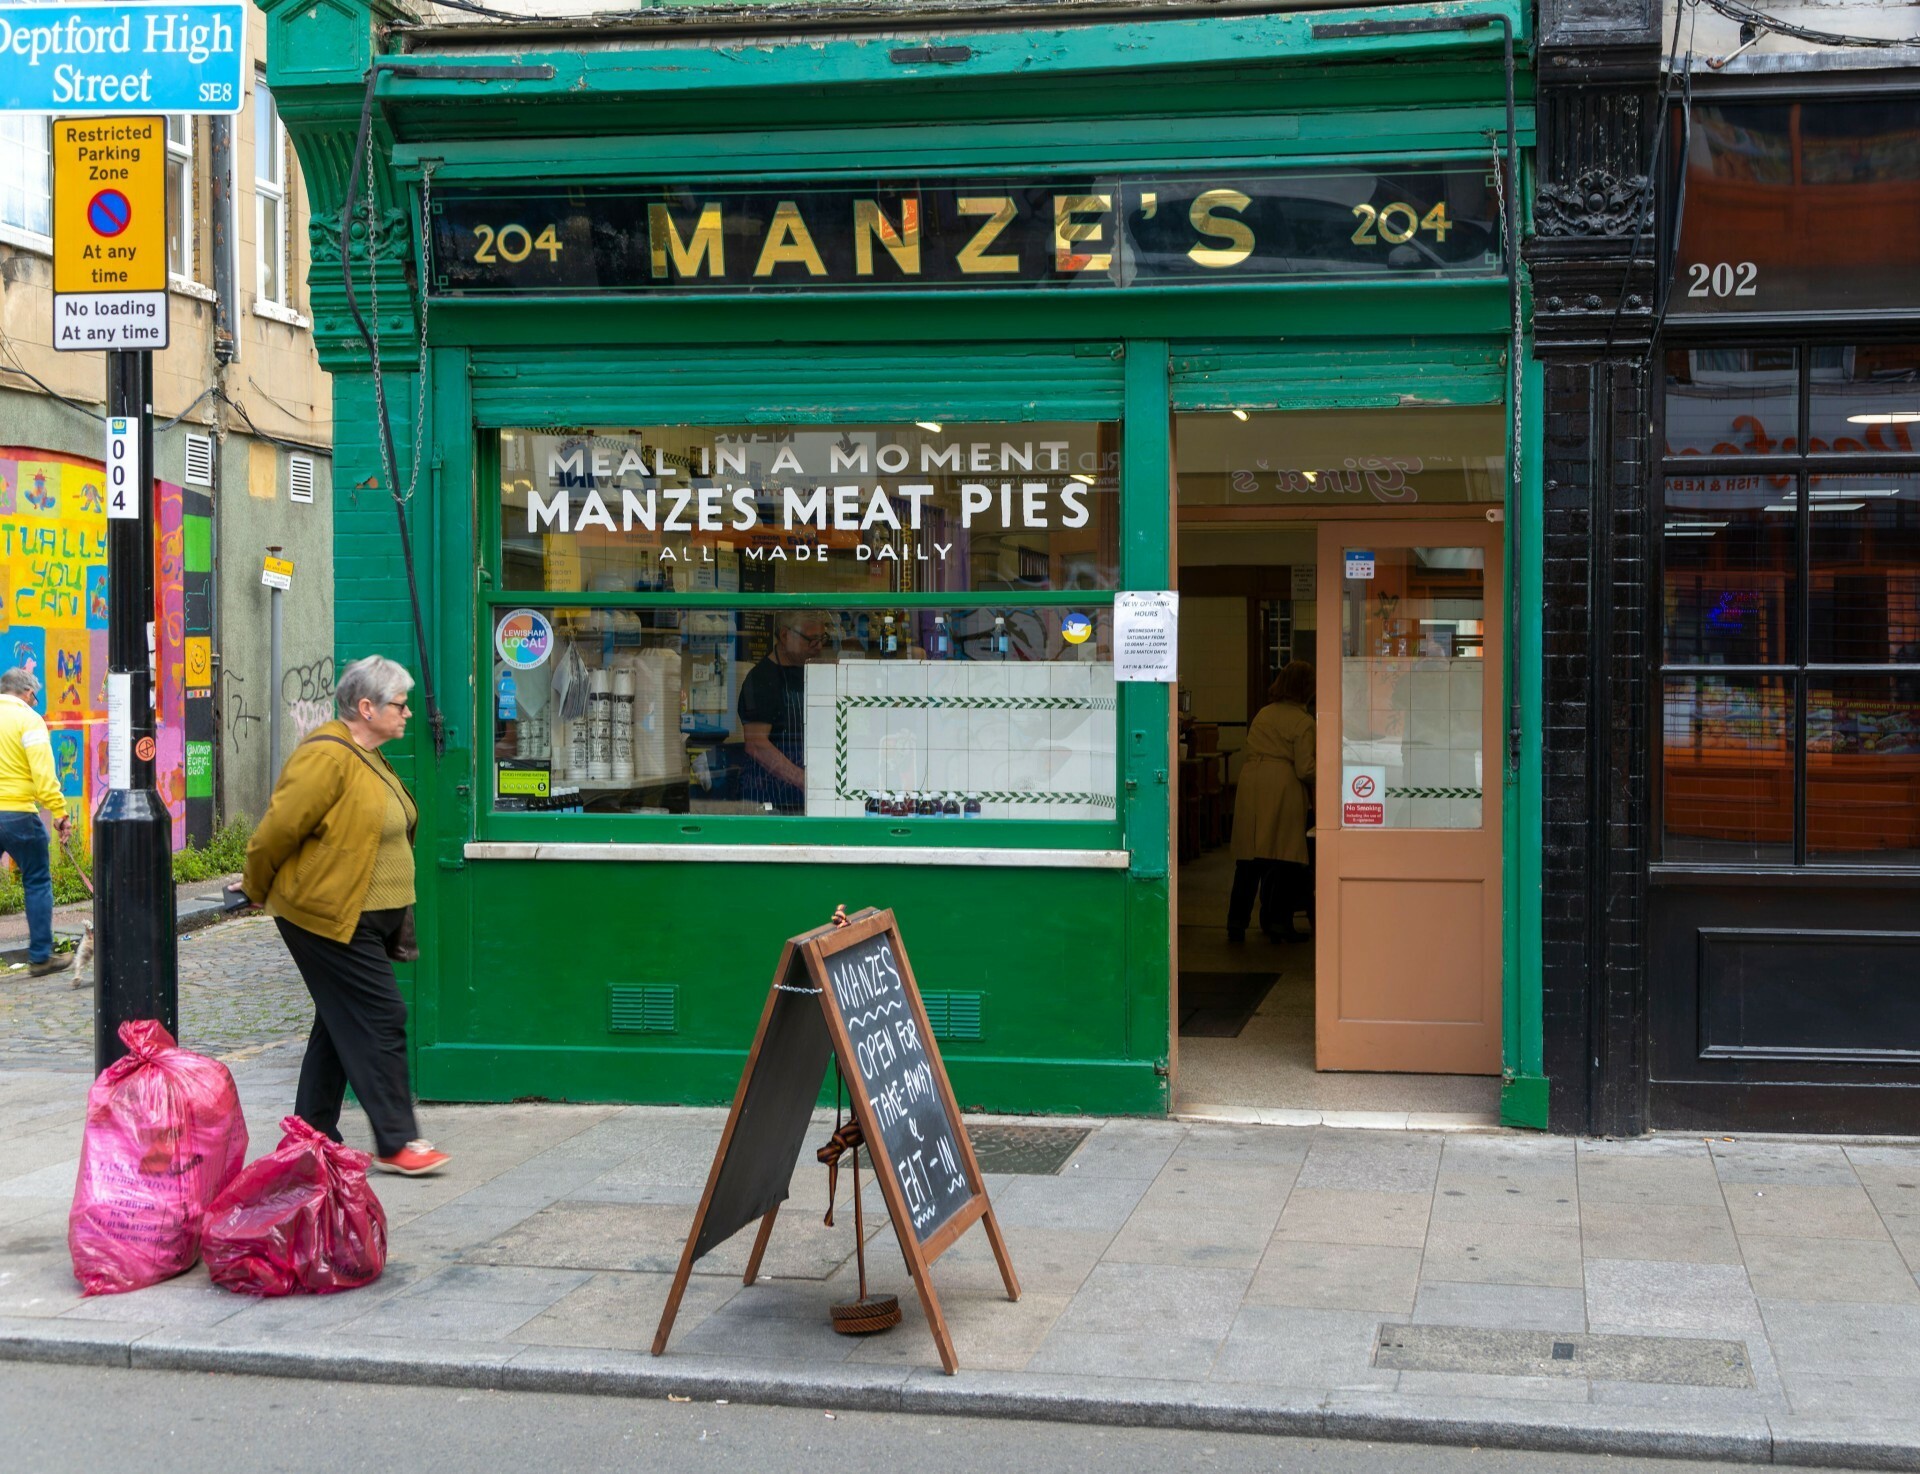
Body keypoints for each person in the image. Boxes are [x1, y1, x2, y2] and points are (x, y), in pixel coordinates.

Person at [232, 655, 449, 1176]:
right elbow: (277, 830)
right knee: (382, 1017)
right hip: (325, 916)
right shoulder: (327, 756)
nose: (408, 715)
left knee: (336, 1023)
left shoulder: (370, 755)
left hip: (365, 917)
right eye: (400, 705)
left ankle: (311, 1134)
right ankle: (398, 1141)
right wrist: (255, 887)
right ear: (366, 707)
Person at [1227, 660, 1317, 944]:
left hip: (1252, 781)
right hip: (1282, 786)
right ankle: (1277, 921)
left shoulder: (1263, 714)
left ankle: (1236, 922)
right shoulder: (1303, 722)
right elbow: (1305, 768)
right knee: (1284, 857)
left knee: (1249, 859)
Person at [0, 668, 71, 976]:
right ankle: (41, 956)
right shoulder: (29, 720)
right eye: (35, 696)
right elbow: (43, 774)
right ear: (27, 693)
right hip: (18, 814)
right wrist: (58, 811)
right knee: (37, 881)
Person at [737, 610, 826, 812]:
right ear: (785, 635)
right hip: (769, 798)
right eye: (811, 640)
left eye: (822, 639)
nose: (819, 647)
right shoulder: (761, 679)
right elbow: (757, 745)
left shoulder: (811, 672)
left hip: (804, 797)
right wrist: (805, 782)